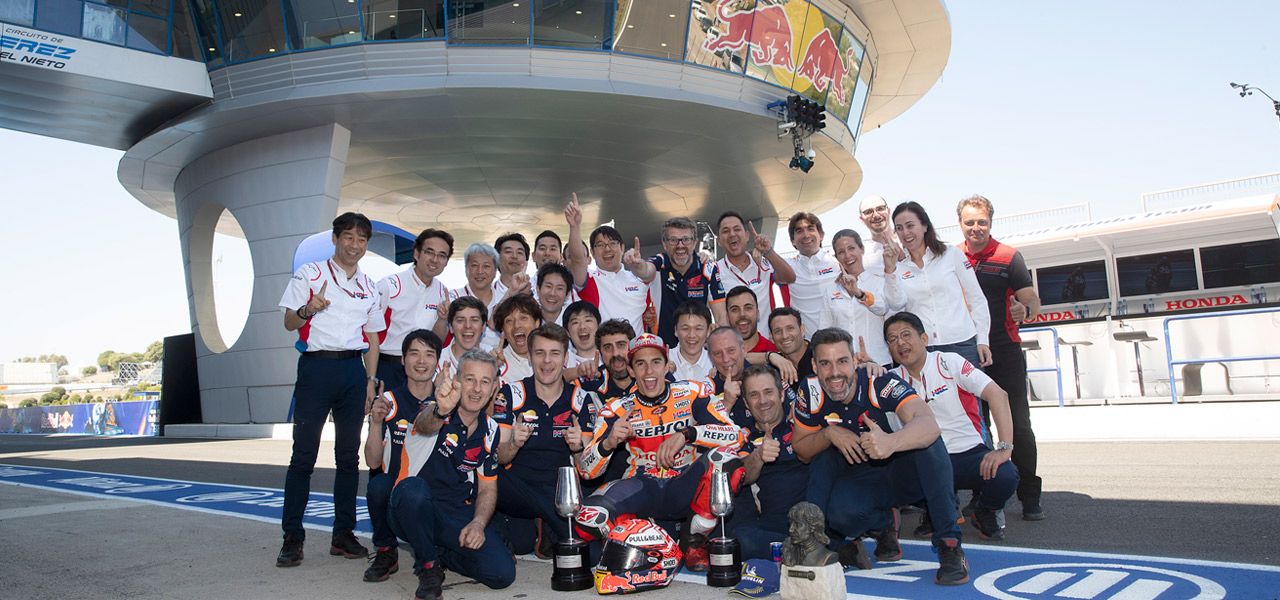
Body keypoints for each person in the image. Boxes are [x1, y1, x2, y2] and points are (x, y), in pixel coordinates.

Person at [791, 327, 969, 586]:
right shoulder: (809, 392)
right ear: (815, 368)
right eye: (825, 364)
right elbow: (802, 451)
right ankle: (882, 522)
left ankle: (950, 546)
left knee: (930, 445)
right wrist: (829, 434)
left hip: (901, 471)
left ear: (854, 361)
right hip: (862, 478)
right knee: (839, 509)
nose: (835, 372)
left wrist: (891, 442)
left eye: (842, 361)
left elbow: (929, 425)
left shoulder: (880, 383)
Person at [572, 333, 745, 571]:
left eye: (655, 362)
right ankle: (640, 534)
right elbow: (586, 471)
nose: (648, 371)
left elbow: (736, 436)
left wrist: (688, 434)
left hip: (684, 485)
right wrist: (609, 443)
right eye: (640, 364)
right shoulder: (616, 408)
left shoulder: (693, 393)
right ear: (631, 371)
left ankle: (693, 540)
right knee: (587, 518)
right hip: (642, 488)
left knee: (727, 461)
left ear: (667, 366)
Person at [276, 212, 385, 567]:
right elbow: (289, 322)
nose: (354, 245)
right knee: (303, 457)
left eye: (362, 239)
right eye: (348, 237)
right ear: (336, 239)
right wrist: (309, 309)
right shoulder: (311, 274)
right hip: (316, 369)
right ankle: (293, 537)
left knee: (348, 458)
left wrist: (370, 381)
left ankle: (343, 534)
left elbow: (371, 339)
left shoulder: (370, 286)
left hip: (352, 372)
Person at [885, 312, 1020, 540]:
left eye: (906, 335)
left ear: (924, 339)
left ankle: (985, 510)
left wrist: (1004, 448)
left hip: (966, 454)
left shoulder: (950, 362)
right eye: (892, 339)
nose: (900, 343)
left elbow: (998, 395)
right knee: (887, 477)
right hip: (924, 457)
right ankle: (935, 508)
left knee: (1006, 475)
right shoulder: (888, 379)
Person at [394, 349, 514, 599]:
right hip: (411, 508)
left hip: (455, 512)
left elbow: (488, 488)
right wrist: (440, 410)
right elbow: (425, 424)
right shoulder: (434, 410)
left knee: (502, 574)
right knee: (413, 492)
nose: (476, 389)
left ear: (494, 388)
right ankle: (428, 566)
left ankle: (441, 552)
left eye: (485, 382)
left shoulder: (490, 429)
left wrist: (478, 524)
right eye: (470, 379)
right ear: (457, 380)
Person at [956, 194, 1044, 520]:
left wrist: (1026, 310)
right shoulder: (952, 258)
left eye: (982, 222)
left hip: (1005, 352)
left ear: (990, 222)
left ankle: (1030, 496)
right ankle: (984, 496)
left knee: (1019, 426)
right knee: (979, 430)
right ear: (960, 224)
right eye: (969, 222)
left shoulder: (1008, 257)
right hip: (968, 353)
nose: (976, 228)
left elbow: (1032, 299)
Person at [492, 324, 594, 556]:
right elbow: (499, 457)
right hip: (517, 488)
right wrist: (514, 444)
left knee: (525, 544)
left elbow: (585, 469)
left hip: (559, 491)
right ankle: (548, 521)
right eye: (540, 353)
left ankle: (546, 523)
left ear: (566, 358)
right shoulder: (510, 394)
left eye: (554, 353)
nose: (547, 361)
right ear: (529, 357)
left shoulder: (581, 399)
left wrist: (578, 448)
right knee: (489, 477)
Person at [362, 329, 441, 582]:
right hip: (400, 494)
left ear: (437, 361)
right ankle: (386, 551)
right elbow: (373, 462)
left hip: (439, 495)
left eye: (429, 354)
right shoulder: (388, 401)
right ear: (402, 360)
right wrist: (375, 422)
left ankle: (436, 551)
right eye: (414, 354)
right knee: (377, 486)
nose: (421, 361)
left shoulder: (447, 400)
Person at [891, 201, 991, 369]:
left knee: (970, 396)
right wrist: (889, 272)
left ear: (924, 226)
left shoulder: (951, 254)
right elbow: (895, 304)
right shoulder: (897, 268)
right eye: (899, 228)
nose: (905, 233)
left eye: (910, 225)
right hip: (923, 350)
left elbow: (977, 299)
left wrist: (983, 340)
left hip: (962, 345)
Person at [732, 364, 809, 560]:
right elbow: (742, 477)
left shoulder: (803, 421)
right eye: (754, 395)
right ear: (747, 403)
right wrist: (758, 455)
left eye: (768, 392)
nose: (763, 401)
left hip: (813, 516)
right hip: (774, 523)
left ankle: (809, 547)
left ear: (782, 394)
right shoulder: (742, 434)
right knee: (739, 541)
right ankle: (805, 551)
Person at [375, 229, 453, 391]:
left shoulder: (442, 292)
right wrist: (371, 377)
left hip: (423, 370)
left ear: (446, 262)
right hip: (388, 366)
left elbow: (436, 341)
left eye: (442, 255)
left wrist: (442, 319)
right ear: (417, 254)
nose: (435, 260)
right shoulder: (390, 285)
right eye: (429, 252)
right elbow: (370, 332)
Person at [563, 195, 652, 336]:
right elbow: (577, 260)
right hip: (605, 354)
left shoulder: (639, 279)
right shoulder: (590, 280)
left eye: (612, 243)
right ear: (592, 252)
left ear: (622, 248)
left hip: (636, 355)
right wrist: (575, 226)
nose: (607, 249)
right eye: (600, 245)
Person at [626, 216, 717, 347]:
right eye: (673, 240)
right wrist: (636, 265)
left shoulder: (707, 268)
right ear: (664, 244)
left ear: (695, 242)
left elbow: (721, 316)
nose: (680, 246)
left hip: (699, 350)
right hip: (664, 351)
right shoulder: (660, 262)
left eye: (686, 239)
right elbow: (646, 271)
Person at [708, 211, 797, 335]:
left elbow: (790, 278)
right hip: (737, 349)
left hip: (769, 344)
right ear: (719, 241)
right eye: (726, 231)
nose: (732, 234)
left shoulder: (764, 263)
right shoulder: (713, 272)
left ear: (747, 235)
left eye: (737, 229)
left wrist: (769, 251)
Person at [819, 229, 899, 365]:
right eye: (841, 252)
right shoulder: (830, 291)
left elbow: (882, 308)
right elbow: (825, 331)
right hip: (846, 367)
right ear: (836, 257)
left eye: (851, 248)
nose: (847, 255)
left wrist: (859, 293)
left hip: (879, 362)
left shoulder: (878, 281)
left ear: (861, 249)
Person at [782, 212, 841, 338]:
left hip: (844, 343)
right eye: (799, 231)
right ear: (792, 241)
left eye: (810, 228)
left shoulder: (838, 262)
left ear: (821, 235)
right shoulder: (787, 267)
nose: (806, 235)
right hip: (809, 347)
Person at [449, 243, 507, 349]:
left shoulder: (505, 300)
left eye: (486, 266)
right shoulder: (452, 298)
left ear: (495, 271)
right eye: (474, 265)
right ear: (466, 269)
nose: (480, 271)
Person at [492, 293, 543, 385]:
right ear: (503, 331)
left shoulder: (555, 357)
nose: (516, 325)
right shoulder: (496, 364)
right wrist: (491, 371)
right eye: (509, 321)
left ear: (537, 323)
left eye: (523, 318)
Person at [437, 296, 489, 379]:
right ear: (450, 327)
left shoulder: (495, 358)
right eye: (460, 320)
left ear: (483, 326)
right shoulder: (436, 361)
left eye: (474, 320)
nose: (467, 326)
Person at [669, 301, 714, 384]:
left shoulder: (717, 362)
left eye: (698, 329)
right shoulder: (664, 360)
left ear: (708, 330)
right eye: (685, 328)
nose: (692, 335)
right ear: (675, 330)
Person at [768, 307, 815, 383]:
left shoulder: (819, 357)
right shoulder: (772, 369)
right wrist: (769, 356)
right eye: (778, 331)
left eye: (790, 328)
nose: (785, 336)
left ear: (802, 330)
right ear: (771, 337)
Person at [857, 195, 901, 274]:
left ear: (889, 211)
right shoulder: (863, 255)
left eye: (880, 209)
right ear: (862, 219)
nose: (876, 215)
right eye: (868, 212)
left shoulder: (907, 240)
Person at [562, 300, 602, 372]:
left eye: (588, 320)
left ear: (598, 326)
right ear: (567, 332)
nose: (582, 326)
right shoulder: (563, 363)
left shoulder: (610, 357)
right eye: (575, 322)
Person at [494, 232, 533, 296]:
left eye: (520, 252)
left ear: (526, 261)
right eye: (508, 252)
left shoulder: (539, 292)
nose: (514, 256)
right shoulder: (486, 292)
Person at [535, 262, 574, 326]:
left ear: (567, 294)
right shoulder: (529, 321)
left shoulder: (572, 323)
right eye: (548, 286)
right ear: (538, 289)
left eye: (559, 288)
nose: (552, 293)